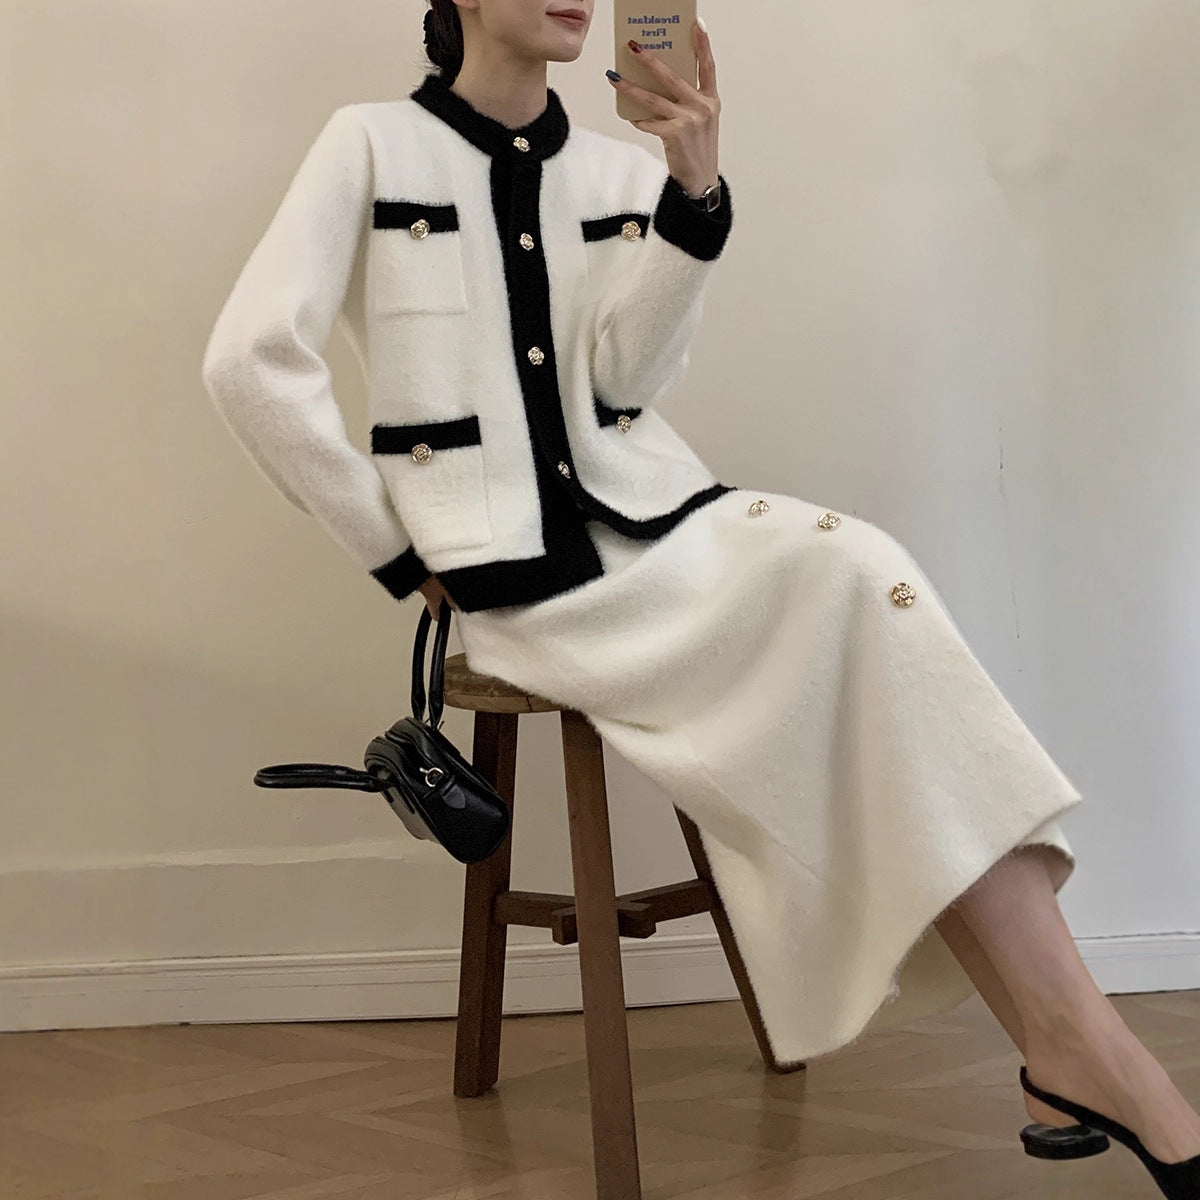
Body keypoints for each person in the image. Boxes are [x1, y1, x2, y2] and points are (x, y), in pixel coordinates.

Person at [201, 1, 1200, 1191]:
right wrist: (390, 548)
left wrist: (693, 192)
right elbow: (250, 363)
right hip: (523, 583)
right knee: (866, 613)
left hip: (665, 524)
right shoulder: (368, 144)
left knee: (863, 581)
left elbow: (625, 383)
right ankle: (1086, 1051)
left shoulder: (617, 167)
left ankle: (1073, 1047)